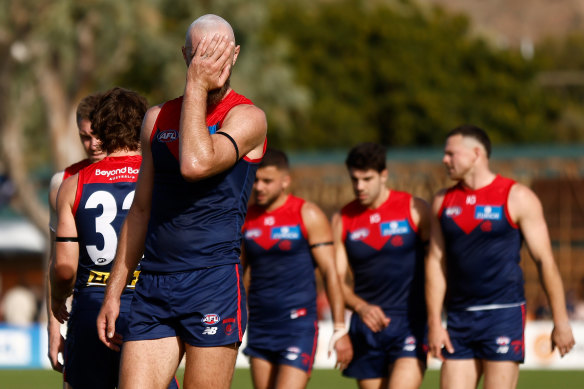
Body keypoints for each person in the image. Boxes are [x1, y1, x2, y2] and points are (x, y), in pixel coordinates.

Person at [97, 14, 267, 389]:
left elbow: (195, 163)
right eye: (199, 55)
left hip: (213, 281)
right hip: (154, 283)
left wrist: (195, 85)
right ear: (184, 55)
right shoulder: (155, 119)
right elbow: (139, 210)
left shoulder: (248, 117)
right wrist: (114, 292)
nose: (209, 64)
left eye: (218, 53)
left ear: (235, 55)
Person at [425, 124, 576, 389]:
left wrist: (560, 321)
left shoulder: (517, 196)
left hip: (503, 315)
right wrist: (435, 323)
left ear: (475, 154)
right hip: (459, 318)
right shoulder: (442, 201)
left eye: (451, 153)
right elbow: (436, 264)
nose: (444, 159)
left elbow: (545, 262)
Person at [50, 87, 179, 389]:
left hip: (92, 304)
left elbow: (64, 268)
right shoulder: (163, 178)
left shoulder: (72, 185)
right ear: (141, 127)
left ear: (102, 129)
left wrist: (57, 299)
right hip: (150, 304)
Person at [241, 148, 353, 389]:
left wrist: (339, 328)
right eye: (256, 180)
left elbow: (330, 273)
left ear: (285, 181)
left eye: (267, 181)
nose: (259, 187)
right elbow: (236, 273)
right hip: (260, 326)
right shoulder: (246, 218)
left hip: (297, 326)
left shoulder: (307, 214)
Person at [332, 143, 430, 389]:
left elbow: (438, 264)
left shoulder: (414, 209)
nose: (360, 186)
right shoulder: (342, 219)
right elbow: (335, 280)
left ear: (384, 175)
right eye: (355, 179)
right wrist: (361, 308)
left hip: (410, 324)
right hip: (366, 326)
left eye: (367, 178)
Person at [46, 92, 106, 373]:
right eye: (85, 136)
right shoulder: (64, 182)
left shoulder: (144, 174)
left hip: (139, 308)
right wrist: (54, 325)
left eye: (100, 134)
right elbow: (56, 260)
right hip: (85, 308)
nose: (93, 144)